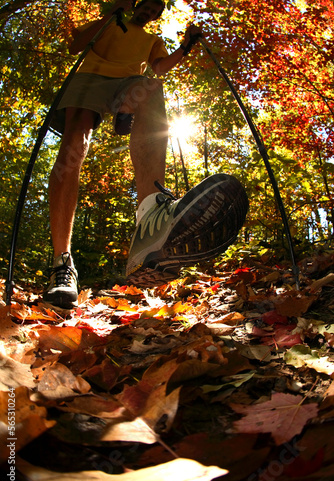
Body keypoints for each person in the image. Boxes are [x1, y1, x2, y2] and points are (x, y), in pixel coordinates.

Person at [43, 0, 248, 309]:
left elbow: (161, 67)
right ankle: (63, 264)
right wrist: (112, 13)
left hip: (130, 84)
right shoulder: (111, 21)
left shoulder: (152, 40)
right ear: (136, 6)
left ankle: (150, 217)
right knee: (74, 146)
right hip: (90, 79)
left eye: (155, 12)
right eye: (147, 7)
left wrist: (187, 45)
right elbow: (76, 45)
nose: (149, 13)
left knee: (151, 86)